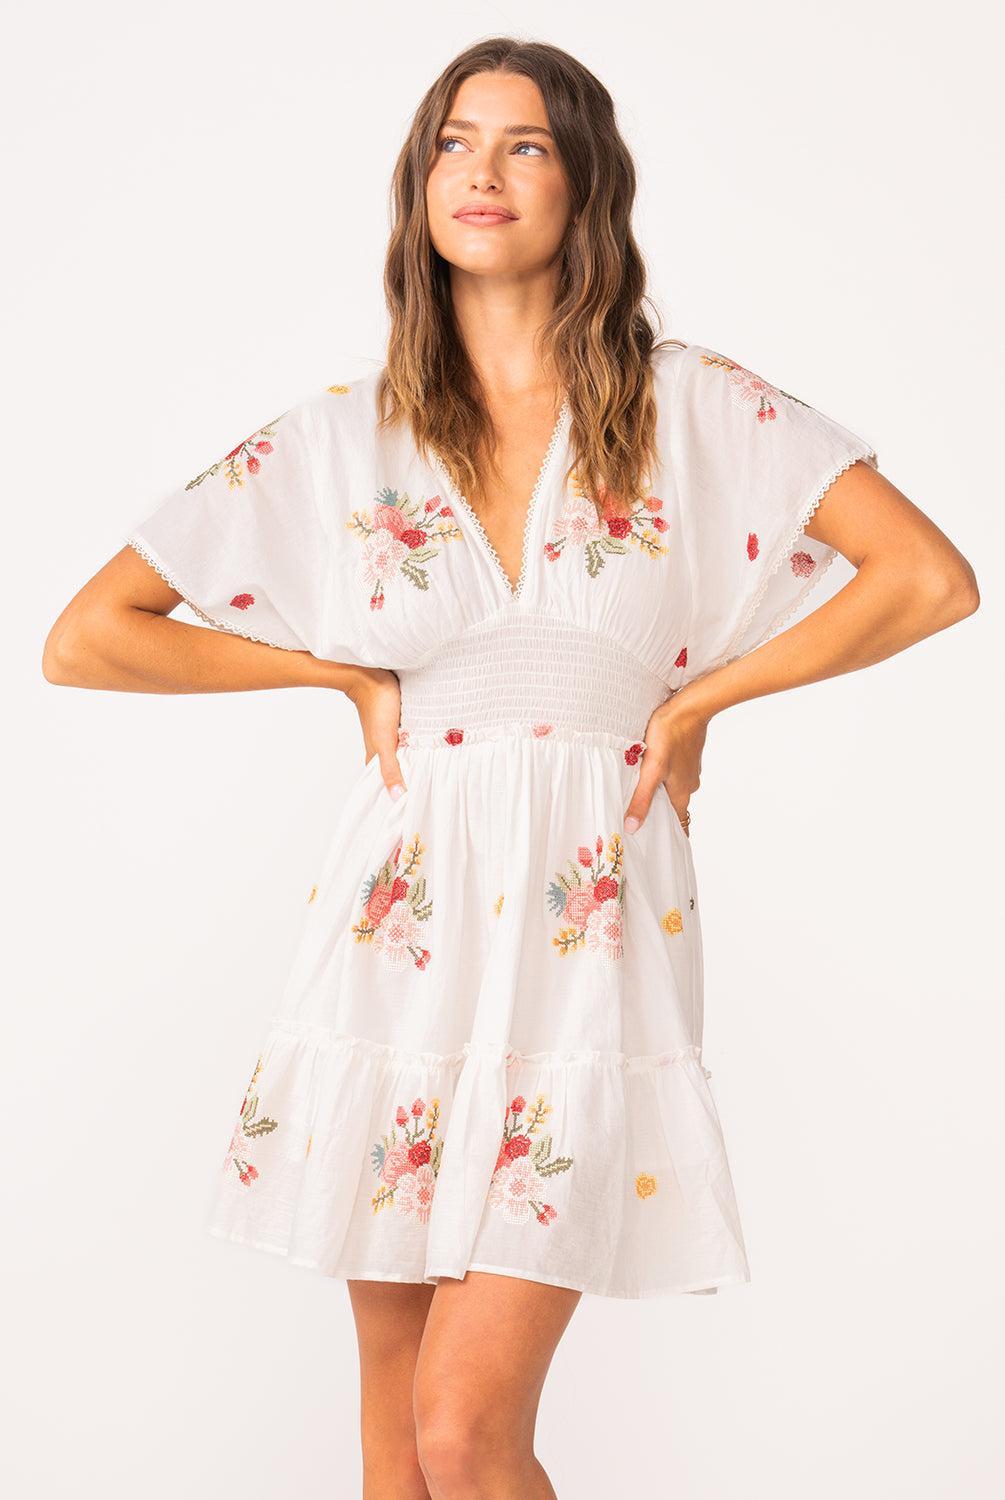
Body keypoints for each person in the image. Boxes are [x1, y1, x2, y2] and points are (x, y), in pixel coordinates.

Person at [42, 34, 978, 1500]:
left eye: (524, 144)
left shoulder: (688, 407)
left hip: (581, 927)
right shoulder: (343, 439)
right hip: (398, 924)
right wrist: (336, 671)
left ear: (584, 183)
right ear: (419, 186)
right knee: (395, 1433)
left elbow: (925, 580)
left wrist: (702, 697)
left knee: (466, 1432)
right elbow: (88, 635)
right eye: (452, 144)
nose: (480, 172)